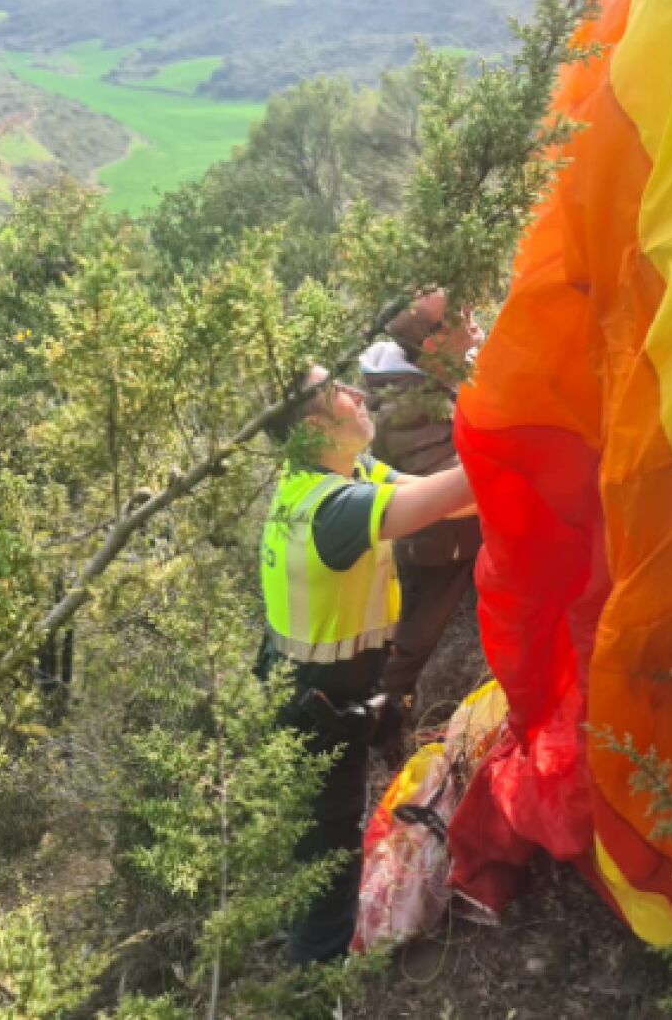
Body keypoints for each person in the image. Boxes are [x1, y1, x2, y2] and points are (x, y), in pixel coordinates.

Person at [257, 361, 474, 966]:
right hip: (316, 706)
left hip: (316, 691)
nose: (357, 392)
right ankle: (316, 977)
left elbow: (443, 500)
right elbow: (455, 494)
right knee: (331, 845)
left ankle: (309, 936)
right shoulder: (335, 509)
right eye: (338, 391)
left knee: (319, 835)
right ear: (313, 427)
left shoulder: (341, 473)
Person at [357, 287, 485, 759]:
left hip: (469, 532)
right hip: (438, 545)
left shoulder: (446, 364)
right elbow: (451, 494)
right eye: (457, 312)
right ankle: (384, 727)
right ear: (432, 343)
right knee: (411, 643)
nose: (471, 312)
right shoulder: (403, 412)